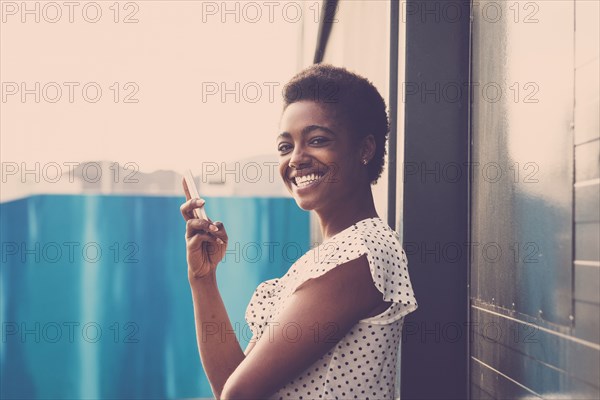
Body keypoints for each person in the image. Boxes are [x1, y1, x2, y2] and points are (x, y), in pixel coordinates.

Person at [180, 64, 418, 400]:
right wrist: (202, 279)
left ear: (365, 149)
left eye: (317, 140)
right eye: (285, 146)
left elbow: (238, 395)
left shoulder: (362, 253)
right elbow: (229, 386)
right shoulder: (332, 255)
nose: (296, 159)